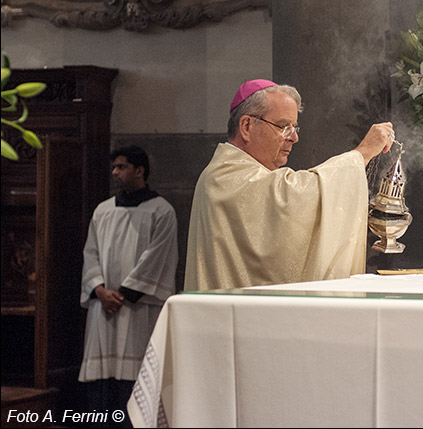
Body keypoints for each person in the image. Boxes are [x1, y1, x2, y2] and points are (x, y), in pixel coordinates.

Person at [184, 79, 394, 291]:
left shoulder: (238, 172)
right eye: (283, 126)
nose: (294, 137)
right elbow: (294, 196)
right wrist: (363, 153)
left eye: (294, 127)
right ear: (246, 126)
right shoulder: (225, 177)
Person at [79, 145, 179, 427]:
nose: (115, 173)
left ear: (140, 170)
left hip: (135, 310)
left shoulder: (161, 211)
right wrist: (99, 289)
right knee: (101, 386)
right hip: (104, 308)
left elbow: (158, 258)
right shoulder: (103, 211)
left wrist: (122, 294)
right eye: (114, 167)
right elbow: (91, 253)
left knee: (132, 381)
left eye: (121, 167)